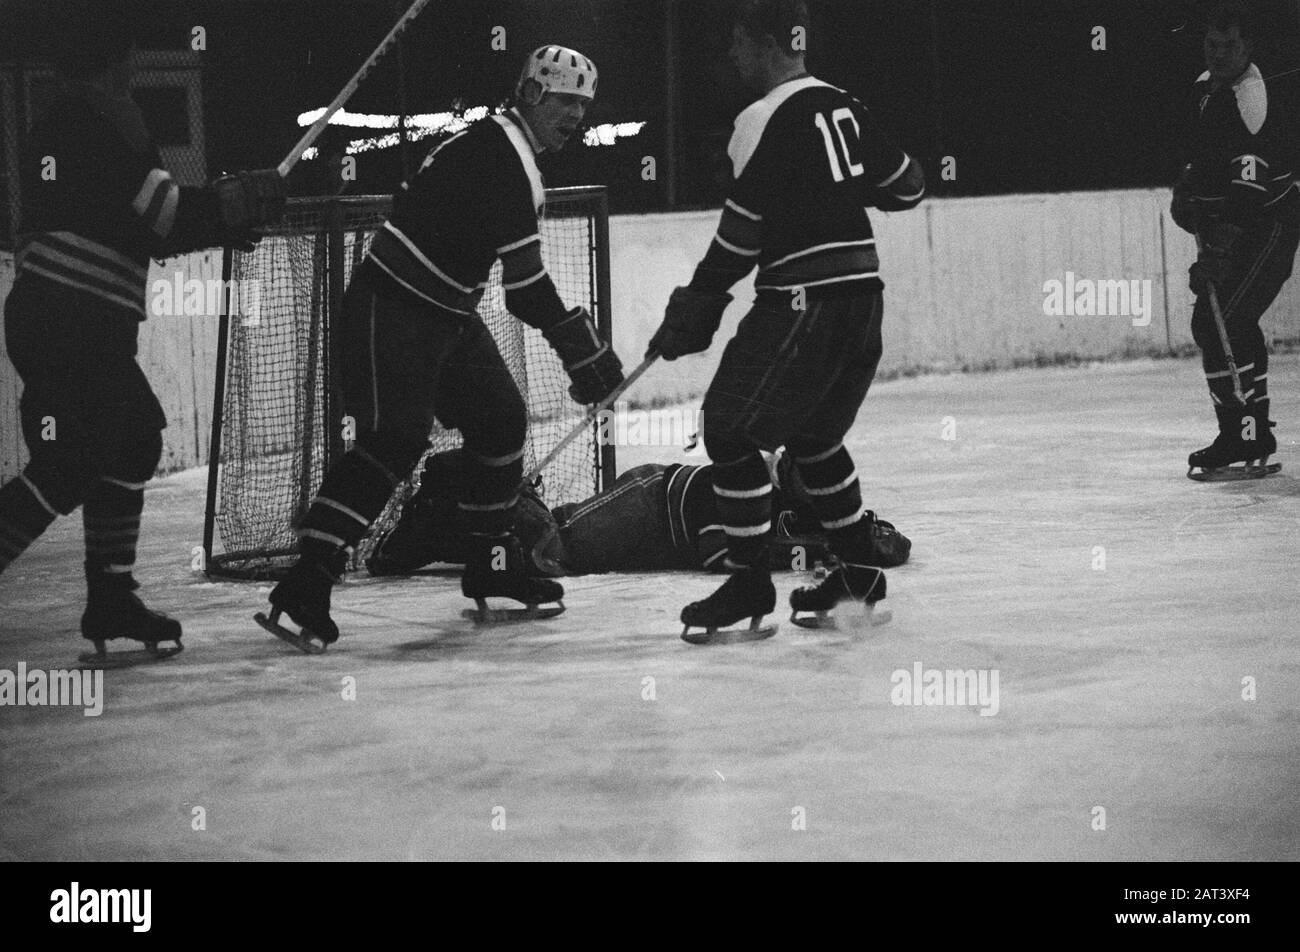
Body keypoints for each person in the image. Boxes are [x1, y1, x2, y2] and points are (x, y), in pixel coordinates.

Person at [260, 46, 623, 647]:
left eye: (583, 106)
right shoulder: (506, 158)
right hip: (394, 308)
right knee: (394, 440)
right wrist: (583, 353)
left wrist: (578, 348)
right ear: (532, 94)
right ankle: (307, 579)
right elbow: (526, 291)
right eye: (565, 101)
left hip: (443, 313)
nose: (576, 116)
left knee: (501, 419)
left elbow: (514, 284)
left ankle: (490, 564)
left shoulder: (500, 147)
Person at [0, 1, 284, 660]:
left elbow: (144, 227)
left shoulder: (67, 117)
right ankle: (109, 596)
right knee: (72, 461)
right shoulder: (103, 116)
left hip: (65, 316)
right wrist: (229, 204)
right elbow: (166, 217)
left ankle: (111, 599)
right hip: (73, 319)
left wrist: (220, 213)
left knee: (130, 442)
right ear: (119, 57)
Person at [646, 0, 925, 637]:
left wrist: (700, 302)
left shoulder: (758, 119)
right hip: (862, 303)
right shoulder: (845, 104)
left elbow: (742, 237)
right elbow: (908, 187)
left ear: (763, 41)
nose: (732, 56)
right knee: (814, 440)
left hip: (805, 302)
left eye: (738, 43)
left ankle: (748, 583)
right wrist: (851, 183)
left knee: (729, 428)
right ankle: (858, 569)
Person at [364, 448, 912, 577]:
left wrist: (849, 539)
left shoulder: (780, 503)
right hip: (655, 499)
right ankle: (461, 481)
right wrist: (817, 554)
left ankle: (437, 536)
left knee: (542, 550)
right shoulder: (742, 489)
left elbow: (789, 539)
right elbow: (722, 556)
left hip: (658, 506)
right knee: (556, 552)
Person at [1172, 2, 1298, 480]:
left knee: (1224, 315)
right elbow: (1198, 156)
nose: (1219, 54)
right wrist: (1186, 191)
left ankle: (1246, 432)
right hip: (1236, 222)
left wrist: (1219, 255)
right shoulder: (1205, 89)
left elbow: (1248, 193)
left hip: (1268, 224)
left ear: (1248, 48)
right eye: (1211, 45)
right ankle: (1242, 432)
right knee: (1215, 320)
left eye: (1230, 46)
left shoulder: (1252, 101)